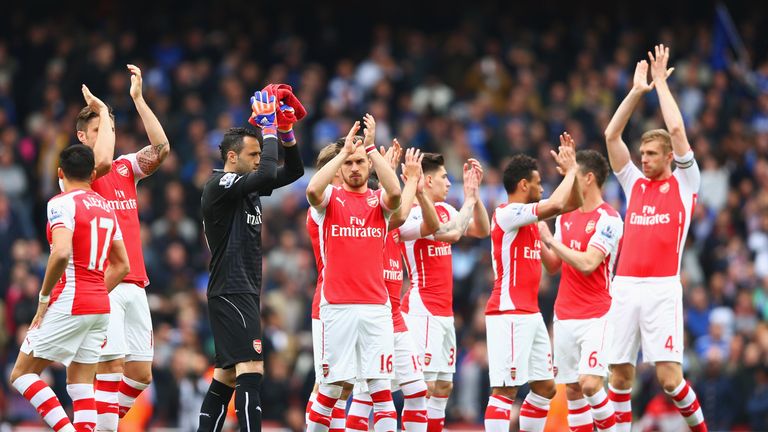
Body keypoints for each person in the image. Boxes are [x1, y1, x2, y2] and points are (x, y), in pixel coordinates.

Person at [604, 45, 707, 432]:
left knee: (669, 381)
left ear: (668, 157)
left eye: (650, 154)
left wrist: (661, 83)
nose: (642, 159)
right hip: (625, 285)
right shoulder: (633, 184)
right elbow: (612, 135)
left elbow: (677, 130)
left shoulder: (685, 183)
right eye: (641, 153)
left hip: (663, 288)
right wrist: (635, 92)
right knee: (619, 378)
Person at [197, 89, 304, 432]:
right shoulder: (220, 184)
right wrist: (269, 127)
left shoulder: (246, 186)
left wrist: (285, 132)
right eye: (253, 154)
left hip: (241, 289)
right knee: (251, 369)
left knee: (227, 376)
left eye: (261, 154)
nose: (259, 159)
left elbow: (294, 170)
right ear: (232, 157)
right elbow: (270, 171)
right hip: (231, 287)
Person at [9, 144, 130, 432]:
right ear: (92, 174)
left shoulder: (61, 203)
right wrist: (96, 292)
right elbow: (122, 265)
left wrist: (43, 297)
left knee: (22, 374)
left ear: (60, 172)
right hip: (100, 304)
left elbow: (61, 253)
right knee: (80, 382)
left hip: (71, 299)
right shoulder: (106, 207)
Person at [76, 65, 171, 431]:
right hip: (104, 281)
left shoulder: (126, 169)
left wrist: (138, 100)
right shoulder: (81, 171)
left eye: (109, 129)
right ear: (83, 136)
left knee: (140, 373)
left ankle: (92, 424)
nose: (107, 135)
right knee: (111, 367)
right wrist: (101, 109)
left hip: (136, 282)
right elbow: (100, 160)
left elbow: (161, 148)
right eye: (99, 129)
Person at [305, 115, 401, 432]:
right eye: (350, 163)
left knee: (381, 392)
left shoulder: (379, 203)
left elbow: (397, 193)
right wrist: (344, 153)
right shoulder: (331, 200)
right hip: (337, 307)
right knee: (332, 389)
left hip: (376, 308)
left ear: (370, 165)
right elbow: (312, 190)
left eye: (361, 162)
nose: (355, 168)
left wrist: (370, 148)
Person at [482, 134, 583, 432]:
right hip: (508, 312)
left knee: (545, 388)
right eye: (538, 182)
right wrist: (572, 171)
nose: (542, 187)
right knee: (505, 390)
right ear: (524, 185)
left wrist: (556, 238)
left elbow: (552, 265)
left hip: (530, 313)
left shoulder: (531, 224)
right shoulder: (507, 214)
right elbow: (556, 204)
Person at [397, 152, 490, 432]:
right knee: (422, 388)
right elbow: (450, 234)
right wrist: (470, 201)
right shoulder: (412, 214)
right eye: (444, 177)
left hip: (444, 312)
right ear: (426, 180)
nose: (449, 183)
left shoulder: (447, 209)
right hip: (421, 309)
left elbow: (482, 229)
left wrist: (476, 196)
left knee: (443, 386)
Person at [537, 150, 623, 432]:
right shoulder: (565, 218)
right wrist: (537, 235)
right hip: (565, 314)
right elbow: (553, 266)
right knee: (573, 390)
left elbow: (588, 263)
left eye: (572, 174)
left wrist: (551, 240)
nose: (567, 180)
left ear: (588, 178)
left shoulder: (609, 219)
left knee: (590, 383)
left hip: (596, 315)